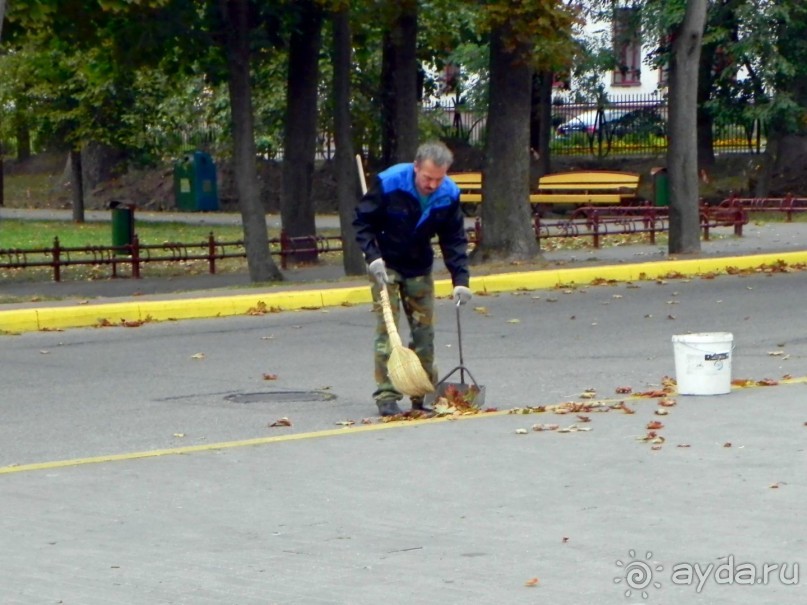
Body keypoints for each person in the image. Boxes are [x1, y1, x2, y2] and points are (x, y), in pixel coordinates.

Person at [353, 141, 472, 417]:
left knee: (424, 334)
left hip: (419, 266)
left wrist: (461, 280)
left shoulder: (449, 193)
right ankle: (387, 395)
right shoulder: (389, 182)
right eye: (427, 178)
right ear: (416, 167)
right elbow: (362, 223)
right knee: (388, 332)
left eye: (438, 179)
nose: (432, 185)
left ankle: (422, 394)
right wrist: (372, 257)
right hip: (385, 265)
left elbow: (454, 239)